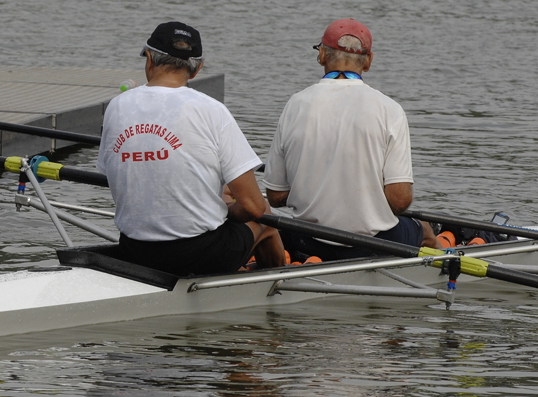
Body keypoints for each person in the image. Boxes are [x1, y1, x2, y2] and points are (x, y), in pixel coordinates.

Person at [97, 22, 286, 276]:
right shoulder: (212, 109)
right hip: (198, 256)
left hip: (134, 250)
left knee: (226, 196)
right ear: (197, 70)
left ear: (149, 59)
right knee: (266, 219)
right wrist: (226, 210)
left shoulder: (115, 106)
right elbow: (253, 207)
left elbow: (114, 177)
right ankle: (272, 287)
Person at [264, 19, 438, 261]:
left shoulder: (295, 104)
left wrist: (308, 188)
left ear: (322, 55)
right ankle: (443, 267)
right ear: (368, 61)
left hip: (307, 240)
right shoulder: (390, 109)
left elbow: (274, 195)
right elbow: (400, 200)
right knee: (425, 228)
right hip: (370, 244)